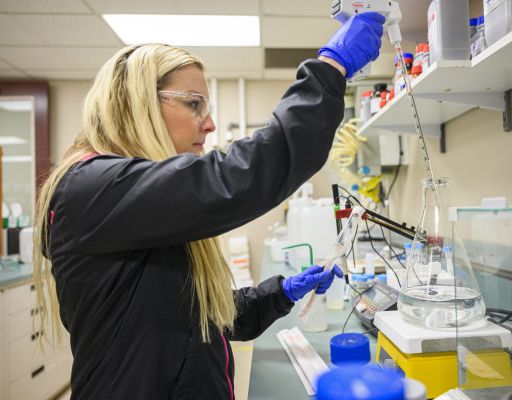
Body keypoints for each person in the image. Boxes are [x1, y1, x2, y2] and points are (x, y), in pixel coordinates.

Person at [32, 12, 386, 400]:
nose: (210, 123)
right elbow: (240, 177)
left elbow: (201, 318)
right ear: (138, 104)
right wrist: (329, 69)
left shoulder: (134, 205)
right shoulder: (93, 188)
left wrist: (281, 292)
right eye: (194, 104)